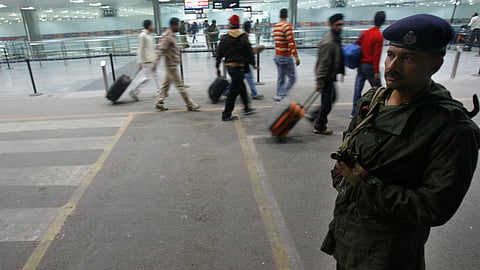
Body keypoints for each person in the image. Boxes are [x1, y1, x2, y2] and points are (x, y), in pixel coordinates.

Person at [322, 14, 480, 270]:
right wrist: (343, 173)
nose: (393, 66)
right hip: (348, 239)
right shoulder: (373, 101)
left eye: (408, 58)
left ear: (434, 65)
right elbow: (346, 154)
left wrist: (363, 183)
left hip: (389, 257)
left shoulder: (452, 128)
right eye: (391, 55)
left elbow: (433, 207)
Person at [154, 17, 201, 112]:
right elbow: (161, 50)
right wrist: (155, 62)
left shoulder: (172, 35)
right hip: (170, 65)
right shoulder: (167, 36)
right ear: (174, 25)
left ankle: (159, 102)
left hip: (172, 64)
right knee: (180, 86)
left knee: (165, 85)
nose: (179, 27)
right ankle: (190, 104)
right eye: (178, 25)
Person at [310, 13, 345, 135]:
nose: (340, 27)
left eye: (341, 24)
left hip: (329, 76)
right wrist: (320, 81)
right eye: (337, 25)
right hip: (326, 77)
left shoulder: (334, 38)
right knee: (327, 102)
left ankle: (314, 115)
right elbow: (323, 64)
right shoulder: (329, 42)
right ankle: (320, 125)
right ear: (331, 25)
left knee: (330, 99)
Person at [216, 15, 256, 121]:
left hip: (229, 67)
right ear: (238, 25)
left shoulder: (224, 38)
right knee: (234, 91)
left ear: (230, 25)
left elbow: (219, 53)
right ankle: (226, 114)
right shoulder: (243, 37)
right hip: (239, 67)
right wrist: (253, 63)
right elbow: (249, 52)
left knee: (241, 86)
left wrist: (217, 66)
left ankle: (247, 108)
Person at [350, 11, 386, 117]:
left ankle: (354, 111)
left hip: (361, 64)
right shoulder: (378, 36)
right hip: (370, 66)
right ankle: (379, 110)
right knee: (378, 89)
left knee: (358, 88)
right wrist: (376, 71)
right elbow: (376, 56)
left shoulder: (366, 33)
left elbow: (357, 45)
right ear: (382, 22)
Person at [125, 19, 161, 101]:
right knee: (147, 77)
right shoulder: (143, 35)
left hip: (151, 59)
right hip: (147, 61)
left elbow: (150, 49)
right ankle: (134, 91)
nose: (152, 27)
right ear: (148, 26)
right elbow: (140, 49)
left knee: (155, 76)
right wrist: (139, 61)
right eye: (151, 25)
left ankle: (161, 91)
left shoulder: (148, 35)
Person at [273, 8, 300, 102]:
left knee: (281, 78)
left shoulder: (276, 26)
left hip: (277, 56)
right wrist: (296, 56)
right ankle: (281, 96)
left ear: (280, 16)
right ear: (287, 16)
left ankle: (278, 95)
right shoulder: (287, 26)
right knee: (293, 78)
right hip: (285, 56)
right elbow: (291, 43)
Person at [243, 21, 264, 100]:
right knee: (249, 78)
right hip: (245, 62)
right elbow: (248, 52)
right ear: (249, 28)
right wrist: (253, 64)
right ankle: (254, 93)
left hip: (242, 62)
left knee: (239, 80)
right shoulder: (245, 37)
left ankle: (254, 93)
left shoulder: (243, 36)